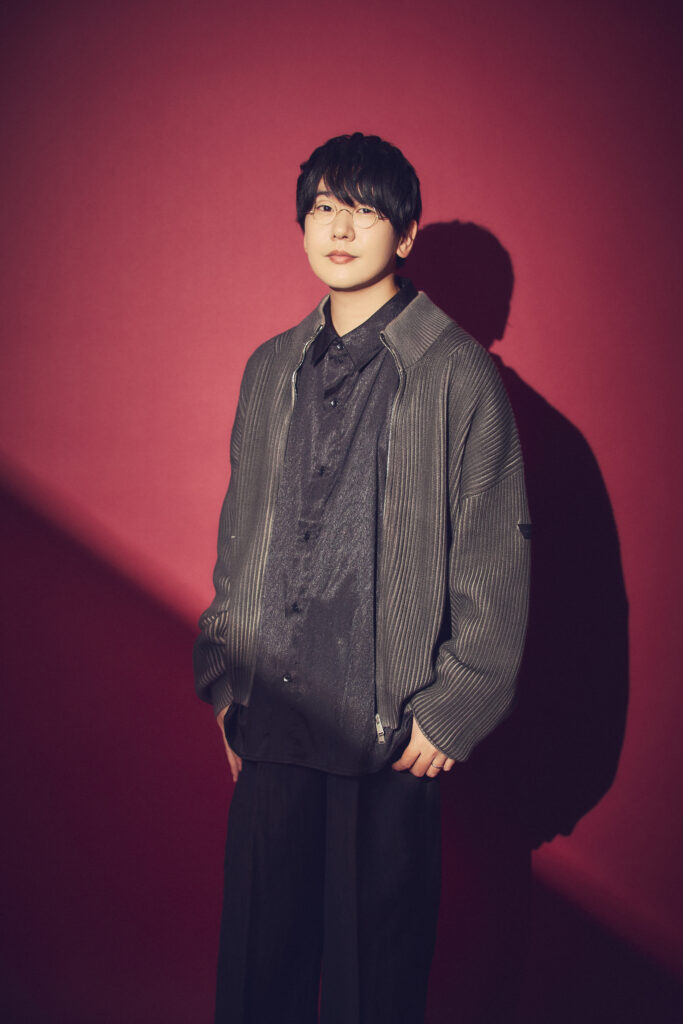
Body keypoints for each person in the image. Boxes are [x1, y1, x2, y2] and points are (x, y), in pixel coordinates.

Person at [193, 132, 531, 1024]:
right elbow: (239, 535)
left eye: (366, 210)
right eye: (323, 208)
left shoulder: (456, 373)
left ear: (405, 233)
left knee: (370, 985)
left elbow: (495, 552)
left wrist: (454, 707)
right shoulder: (271, 366)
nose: (340, 229)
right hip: (272, 719)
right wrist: (228, 683)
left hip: (386, 733)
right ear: (302, 224)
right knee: (256, 978)